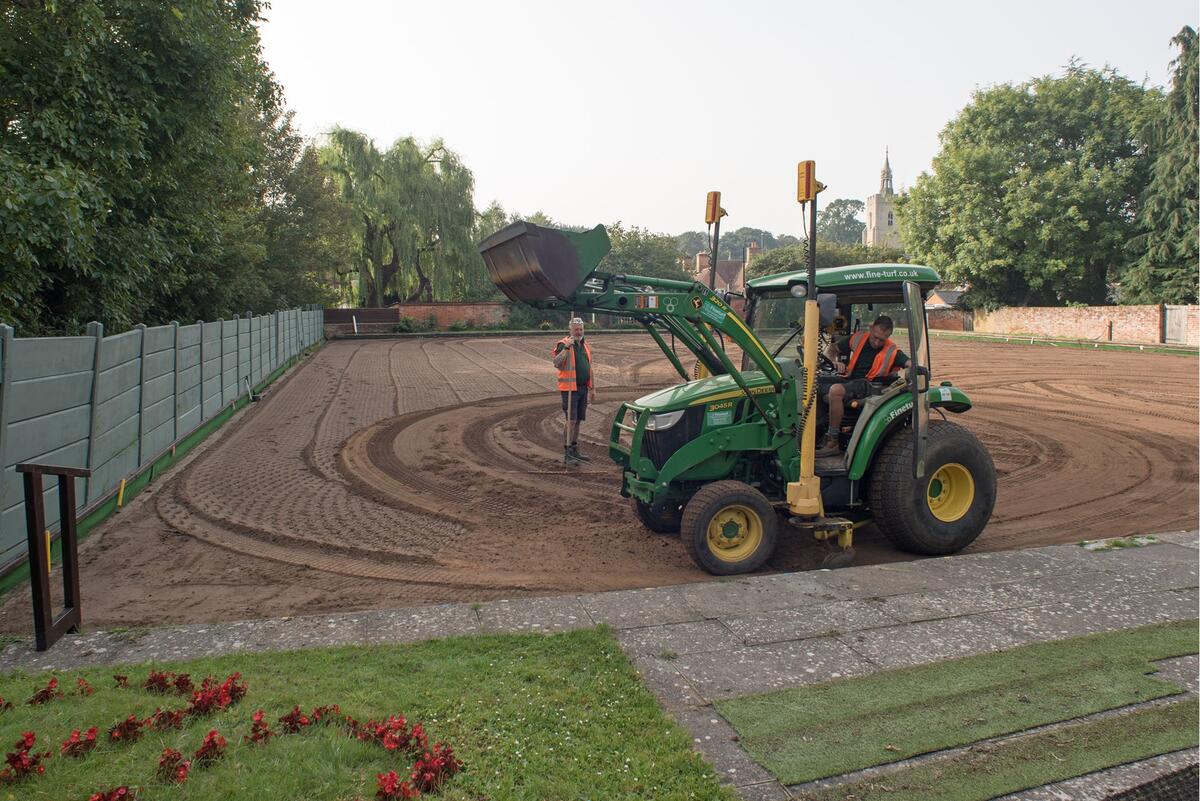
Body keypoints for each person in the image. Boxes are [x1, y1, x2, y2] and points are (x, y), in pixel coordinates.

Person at [816, 315, 909, 456]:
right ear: (871, 329)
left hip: (870, 385)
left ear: (889, 335)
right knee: (813, 382)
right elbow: (833, 349)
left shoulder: (892, 351)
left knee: (835, 391)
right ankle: (815, 430)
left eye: (881, 340)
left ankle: (832, 440)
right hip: (850, 379)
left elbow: (909, 363)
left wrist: (913, 370)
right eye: (875, 337)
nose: (877, 342)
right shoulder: (858, 338)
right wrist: (835, 361)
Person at [552, 318, 596, 465]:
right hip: (570, 389)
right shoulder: (563, 344)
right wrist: (566, 348)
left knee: (578, 420)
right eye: (576, 329)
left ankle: (575, 449)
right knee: (570, 420)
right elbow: (557, 363)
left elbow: (590, 368)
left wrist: (593, 388)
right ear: (570, 330)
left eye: (581, 329)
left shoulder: (585, 346)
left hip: (583, 388)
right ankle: (567, 452)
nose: (579, 332)